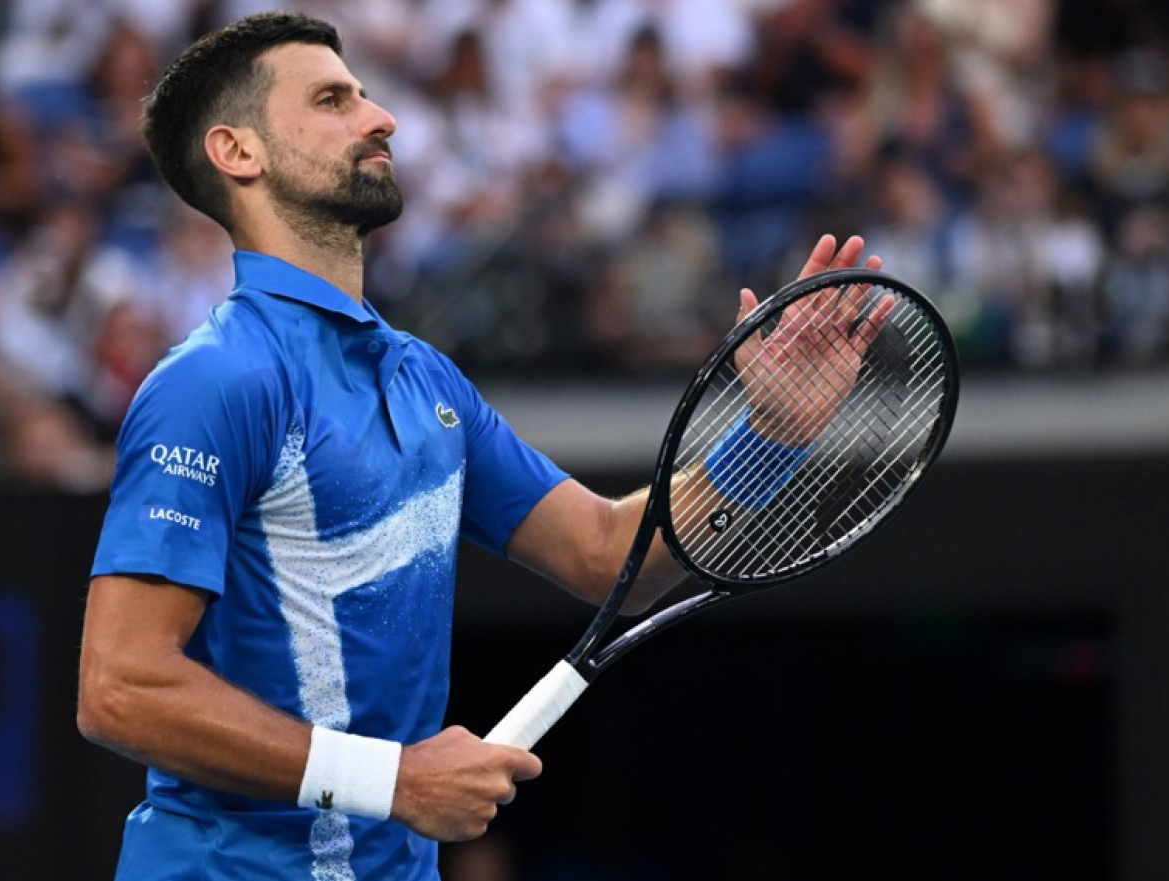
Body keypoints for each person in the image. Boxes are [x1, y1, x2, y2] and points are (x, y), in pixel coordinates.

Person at [76, 12, 883, 881]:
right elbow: (121, 688)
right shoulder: (215, 380)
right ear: (239, 152)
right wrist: (392, 779)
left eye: (365, 95)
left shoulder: (428, 382)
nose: (381, 117)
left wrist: (769, 432)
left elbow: (606, 554)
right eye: (332, 101)